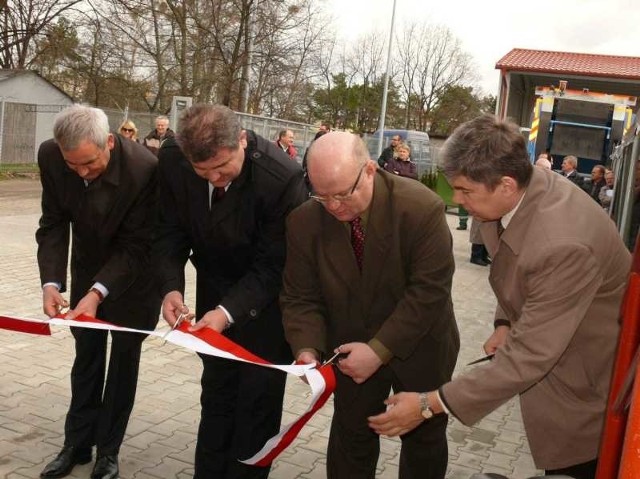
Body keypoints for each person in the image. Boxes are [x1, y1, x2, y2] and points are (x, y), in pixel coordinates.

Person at [368, 114, 632, 479]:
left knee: (579, 467)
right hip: (563, 364)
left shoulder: (562, 244)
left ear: (506, 184)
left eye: (464, 191)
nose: (457, 202)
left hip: (590, 390)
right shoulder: (520, 192)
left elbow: (530, 355)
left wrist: (431, 404)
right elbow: (519, 271)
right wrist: (505, 321)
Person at [280, 131, 460, 479]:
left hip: (420, 344)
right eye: (321, 195)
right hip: (350, 349)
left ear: (370, 171)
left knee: (424, 438)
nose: (333, 206)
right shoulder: (304, 221)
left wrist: (379, 350)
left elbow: (429, 292)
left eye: (343, 194)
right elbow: (300, 295)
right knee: (352, 437)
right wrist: (306, 348)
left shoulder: (421, 208)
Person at [154, 104, 308, 479]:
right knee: (217, 395)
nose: (215, 179)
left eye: (223, 168)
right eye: (203, 172)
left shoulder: (282, 177)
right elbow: (169, 228)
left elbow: (274, 265)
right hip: (213, 289)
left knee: (256, 407)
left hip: (265, 306)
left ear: (242, 139)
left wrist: (226, 313)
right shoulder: (173, 157)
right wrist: (171, 287)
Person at [36, 105, 160, 479]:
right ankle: (76, 444)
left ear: (109, 141)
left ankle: (109, 451)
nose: (82, 173)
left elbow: (138, 245)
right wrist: (51, 282)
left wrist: (97, 294)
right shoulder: (52, 156)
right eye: (73, 166)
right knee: (86, 358)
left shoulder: (145, 169)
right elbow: (54, 222)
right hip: (87, 266)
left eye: (89, 163)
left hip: (135, 276)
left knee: (123, 365)